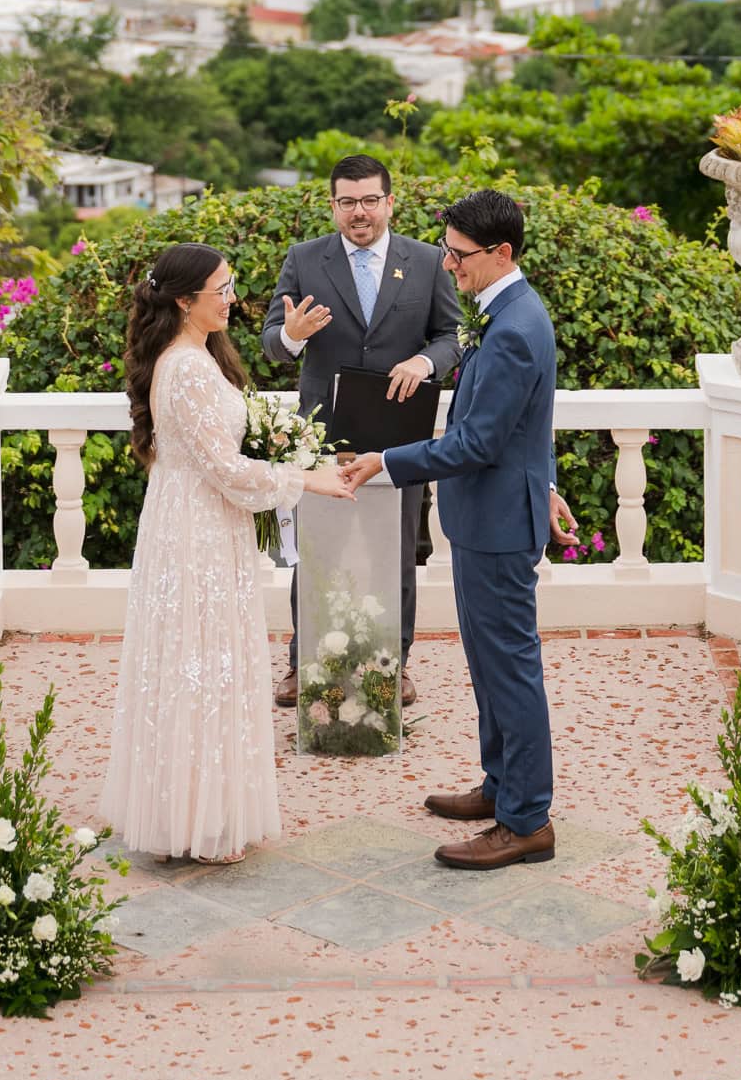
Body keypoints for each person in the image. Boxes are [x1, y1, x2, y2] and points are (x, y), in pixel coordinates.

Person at [102, 242, 356, 864]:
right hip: (198, 533)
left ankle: (189, 813)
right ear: (186, 301)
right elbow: (225, 469)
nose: (233, 298)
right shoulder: (187, 367)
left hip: (200, 521)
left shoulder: (194, 356)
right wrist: (309, 477)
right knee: (203, 664)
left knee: (199, 663)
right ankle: (199, 824)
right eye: (222, 289)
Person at [348, 189, 576, 872]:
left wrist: (384, 459)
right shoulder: (505, 310)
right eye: (446, 250)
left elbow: (475, 442)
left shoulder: (512, 327)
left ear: (501, 252)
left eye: (457, 254)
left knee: (510, 669)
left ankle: (527, 819)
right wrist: (550, 479)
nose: (447, 265)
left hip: (498, 523)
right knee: (489, 664)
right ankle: (501, 786)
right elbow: (529, 419)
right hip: (494, 514)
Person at [263, 152, 462, 710]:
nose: (360, 212)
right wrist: (295, 337)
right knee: (317, 552)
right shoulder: (304, 260)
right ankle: (303, 662)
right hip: (322, 437)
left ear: (389, 202)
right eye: (348, 201)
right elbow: (270, 340)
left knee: (396, 553)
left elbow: (452, 334)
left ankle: (393, 665)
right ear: (333, 206)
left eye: (370, 200)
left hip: (398, 434)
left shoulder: (425, 261)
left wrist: (426, 363)